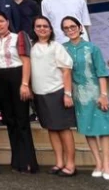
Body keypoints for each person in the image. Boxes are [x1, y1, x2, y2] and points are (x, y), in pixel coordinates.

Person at [62, 16, 109, 180]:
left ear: (80, 27)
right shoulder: (63, 49)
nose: (70, 30)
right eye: (66, 28)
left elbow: (101, 72)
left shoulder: (92, 48)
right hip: (79, 95)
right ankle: (98, 163)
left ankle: (107, 163)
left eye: (73, 26)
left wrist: (104, 95)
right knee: (88, 129)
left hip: (97, 94)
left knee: (103, 129)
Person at [0, 11, 39, 174]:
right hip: (0, 78)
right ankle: (16, 160)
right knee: (10, 120)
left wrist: (25, 84)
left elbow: (26, 61)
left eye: (1, 21)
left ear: (7, 22)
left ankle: (29, 162)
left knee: (22, 120)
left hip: (17, 76)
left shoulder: (18, 36)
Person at [30, 15, 76, 177]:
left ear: (50, 29)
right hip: (40, 94)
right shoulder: (32, 47)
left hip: (57, 92)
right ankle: (59, 162)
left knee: (63, 129)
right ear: (34, 29)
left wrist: (67, 94)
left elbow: (66, 70)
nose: (42, 28)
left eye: (45, 26)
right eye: (38, 26)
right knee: (51, 129)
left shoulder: (56, 47)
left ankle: (70, 164)